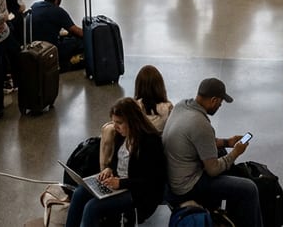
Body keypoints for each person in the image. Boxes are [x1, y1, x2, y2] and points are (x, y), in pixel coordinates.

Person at [162, 78, 261, 227]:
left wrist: (228, 142)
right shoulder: (201, 124)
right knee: (249, 188)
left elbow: (198, 141)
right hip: (186, 186)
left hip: (172, 177)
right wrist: (236, 152)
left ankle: (228, 215)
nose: (220, 105)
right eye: (220, 103)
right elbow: (213, 170)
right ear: (213, 100)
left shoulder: (182, 106)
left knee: (220, 151)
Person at [66, 98, 167, 227]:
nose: (115, 126)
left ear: (132, 121)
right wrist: (109, 169)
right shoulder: (122, 135)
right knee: (79, 192)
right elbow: (117, 160)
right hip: (118, 184)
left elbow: (151, 181)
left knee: (92, 207)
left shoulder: (150, 142)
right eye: (114, 122)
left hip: (138, 193)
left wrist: (120, 183)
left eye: (119, 122)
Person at [99, 65, 173, 168]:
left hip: (134, 151)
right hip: (157, 155)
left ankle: (103, 168)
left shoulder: (134, 107)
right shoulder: (168, 108)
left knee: (108, 129)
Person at [27, 0, 85, 71]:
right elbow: (77, 32)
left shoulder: (35, 6)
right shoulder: (58, 11)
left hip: (33, 48)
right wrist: (92, 34)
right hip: (50, 50)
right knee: (78, 42)